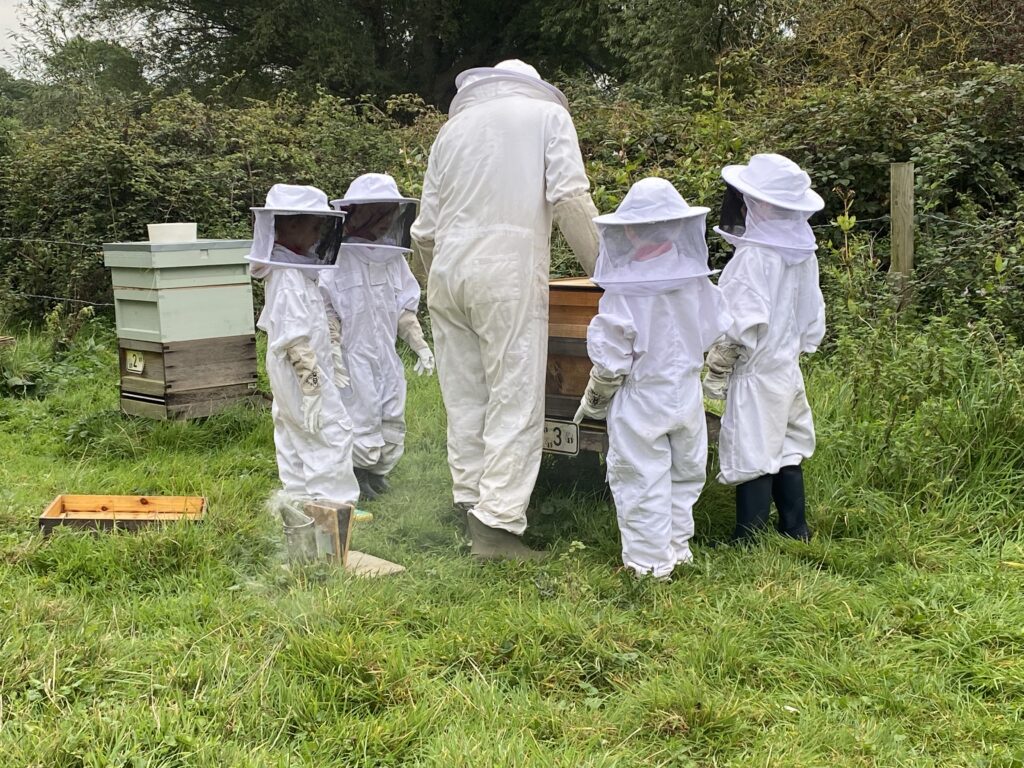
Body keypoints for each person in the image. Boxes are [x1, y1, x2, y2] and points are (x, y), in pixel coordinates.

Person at [411, 59, 601, 560]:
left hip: (446, 274)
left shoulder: (451, 132)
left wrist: (438, 286)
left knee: (465, 396)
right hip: (508, 272)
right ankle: (496, 526)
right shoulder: (547, 117)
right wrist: (613, 276)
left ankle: (470, 501)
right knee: (515, 396)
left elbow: (422, 232)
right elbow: (570, 201)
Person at [573, 178, 730, 578]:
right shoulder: (694, 279)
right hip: (686, 394)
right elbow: (716, 328)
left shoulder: (625, 288)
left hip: (641, 399)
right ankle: (677, 550)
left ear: (626, 230)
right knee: (684, 474)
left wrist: (593, 401)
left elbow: (611, 361)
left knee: (641, 478)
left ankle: (648, 566)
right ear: (677, 226)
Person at [702, 153, 826, 543]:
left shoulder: (754, 256)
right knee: (789, 441)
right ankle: (795, 528)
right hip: (786, 367)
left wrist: (719, 365)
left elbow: (738, 318)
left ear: (761, 203)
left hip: (755, 369)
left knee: (751, 445)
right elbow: (812, 314)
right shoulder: (801, 255)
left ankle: (748, 536)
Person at [247, 184, 362, 515]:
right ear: (290, 226)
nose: (317, 236)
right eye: (313, 227)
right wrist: (312, 390)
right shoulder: (287, 278)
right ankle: (333, 510)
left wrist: (333, 359)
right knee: (330, 432)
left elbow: (309, 329)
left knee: (295, 432)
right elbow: (297, 342)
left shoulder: (291, 271)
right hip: (299, 372)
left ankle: (299, 506)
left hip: (293, 371)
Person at [319, 173, 434, 501]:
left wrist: (420, 345)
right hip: (352, 356)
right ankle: (356, 474)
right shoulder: (337, 259)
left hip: (386, 354)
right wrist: (334, 352)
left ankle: (378, 473)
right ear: (357, 212)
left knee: (390, 414)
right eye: (377, 212)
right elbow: (326, 311)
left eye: (387, 212)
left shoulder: (393, 259)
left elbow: (404, 310)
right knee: (360, 417)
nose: (383, 219)